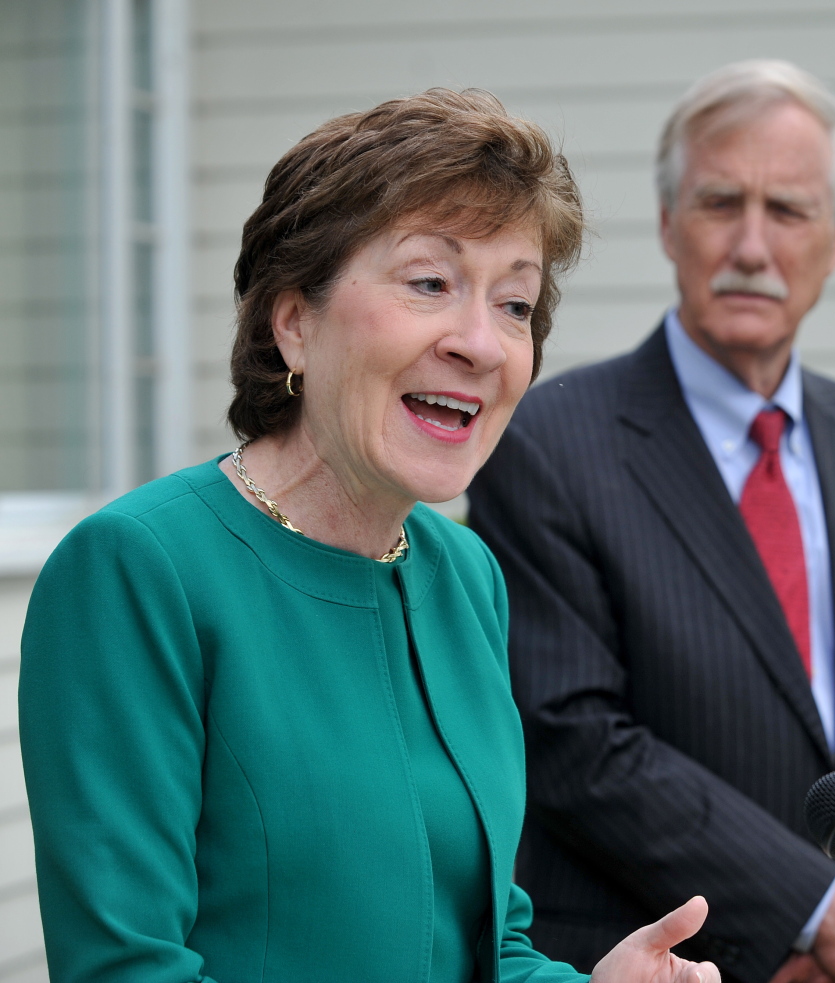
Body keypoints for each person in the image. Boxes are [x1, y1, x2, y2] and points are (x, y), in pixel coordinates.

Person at [18, 89, 721, 983]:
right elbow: (128, 969)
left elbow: (486, 946)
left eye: (515, 303)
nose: (482, 343)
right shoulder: (137, 571)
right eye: (430, 281)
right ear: (293, 323)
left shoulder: (468, 575)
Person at [467, 61, 835, 983]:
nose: (753, 245)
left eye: (788, 211)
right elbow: (572, 737)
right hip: (664, 961)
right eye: (721, 203)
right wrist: (812, 910)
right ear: (671, 225)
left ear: (834, 239)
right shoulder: (547, 443)